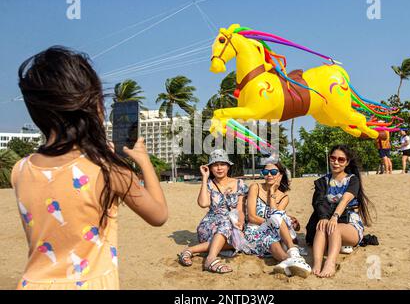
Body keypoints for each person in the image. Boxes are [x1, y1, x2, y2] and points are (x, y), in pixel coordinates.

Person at [11, 46, 168, 290]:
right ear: (94, 104)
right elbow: (158, 214)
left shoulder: (20, 170)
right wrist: (144, 161)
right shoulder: (108, 170)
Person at [305, 145, 374, 278]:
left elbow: (345, 200)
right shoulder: (323, 181)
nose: (336, 162)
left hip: (348, 223)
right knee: (321, 226)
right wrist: (324, 217)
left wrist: (334, 216)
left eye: (341, 160)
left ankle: (330, 263)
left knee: (334, 228)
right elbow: (318, 201)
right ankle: (317, 264)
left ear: (347, 162)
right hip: (330, 219)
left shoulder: (352, 180)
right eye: (333, 158)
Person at [177, 149, 248, 274]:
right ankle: (211, 259)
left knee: (242, 240)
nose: (219, 168)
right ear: (210, 168)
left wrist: (241, 222)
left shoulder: (240, 183)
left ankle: (191, 250)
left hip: (233, 223)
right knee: (226, 222)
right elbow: (203, 203)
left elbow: (240, 209)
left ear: (228, 166)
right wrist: (204, 178)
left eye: (222, 164)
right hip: (210, 224)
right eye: (215, 165)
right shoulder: (209, 184)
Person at [244, 162, 311, 278]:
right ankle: (292, 256)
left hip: (273, 230)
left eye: (273, 172)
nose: (269, 175)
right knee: (272, 232)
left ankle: (287, 261)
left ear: (280, 175)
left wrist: (272, 192)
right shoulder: (255, 187)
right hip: (255, 230)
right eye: (265, 172)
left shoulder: (284, 197)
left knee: (274, 233)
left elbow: (276, 215)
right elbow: (251, 217)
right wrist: (271, 222)